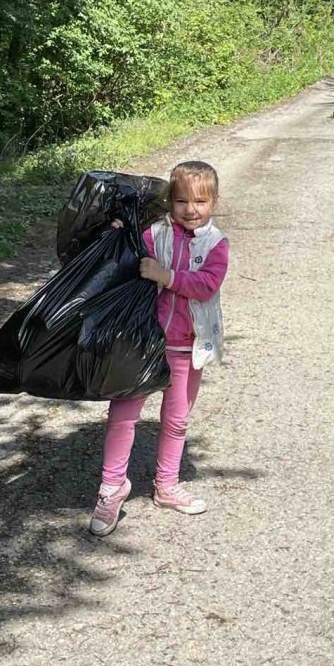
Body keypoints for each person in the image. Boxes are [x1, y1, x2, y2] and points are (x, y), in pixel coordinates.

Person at [89, 160, 229, 536]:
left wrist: (166, 277)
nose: (191, 209)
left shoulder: (216, 244)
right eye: (182, 200)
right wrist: (121, 230)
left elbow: (206, 285)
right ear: (169, 201)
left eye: (200, 201)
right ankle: (111, 487)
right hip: (143, 342)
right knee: (122, 414)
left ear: (214, 202)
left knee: (177, 419)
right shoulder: (155, 235)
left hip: (187, 346)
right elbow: (131, 253)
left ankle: (166, 486)